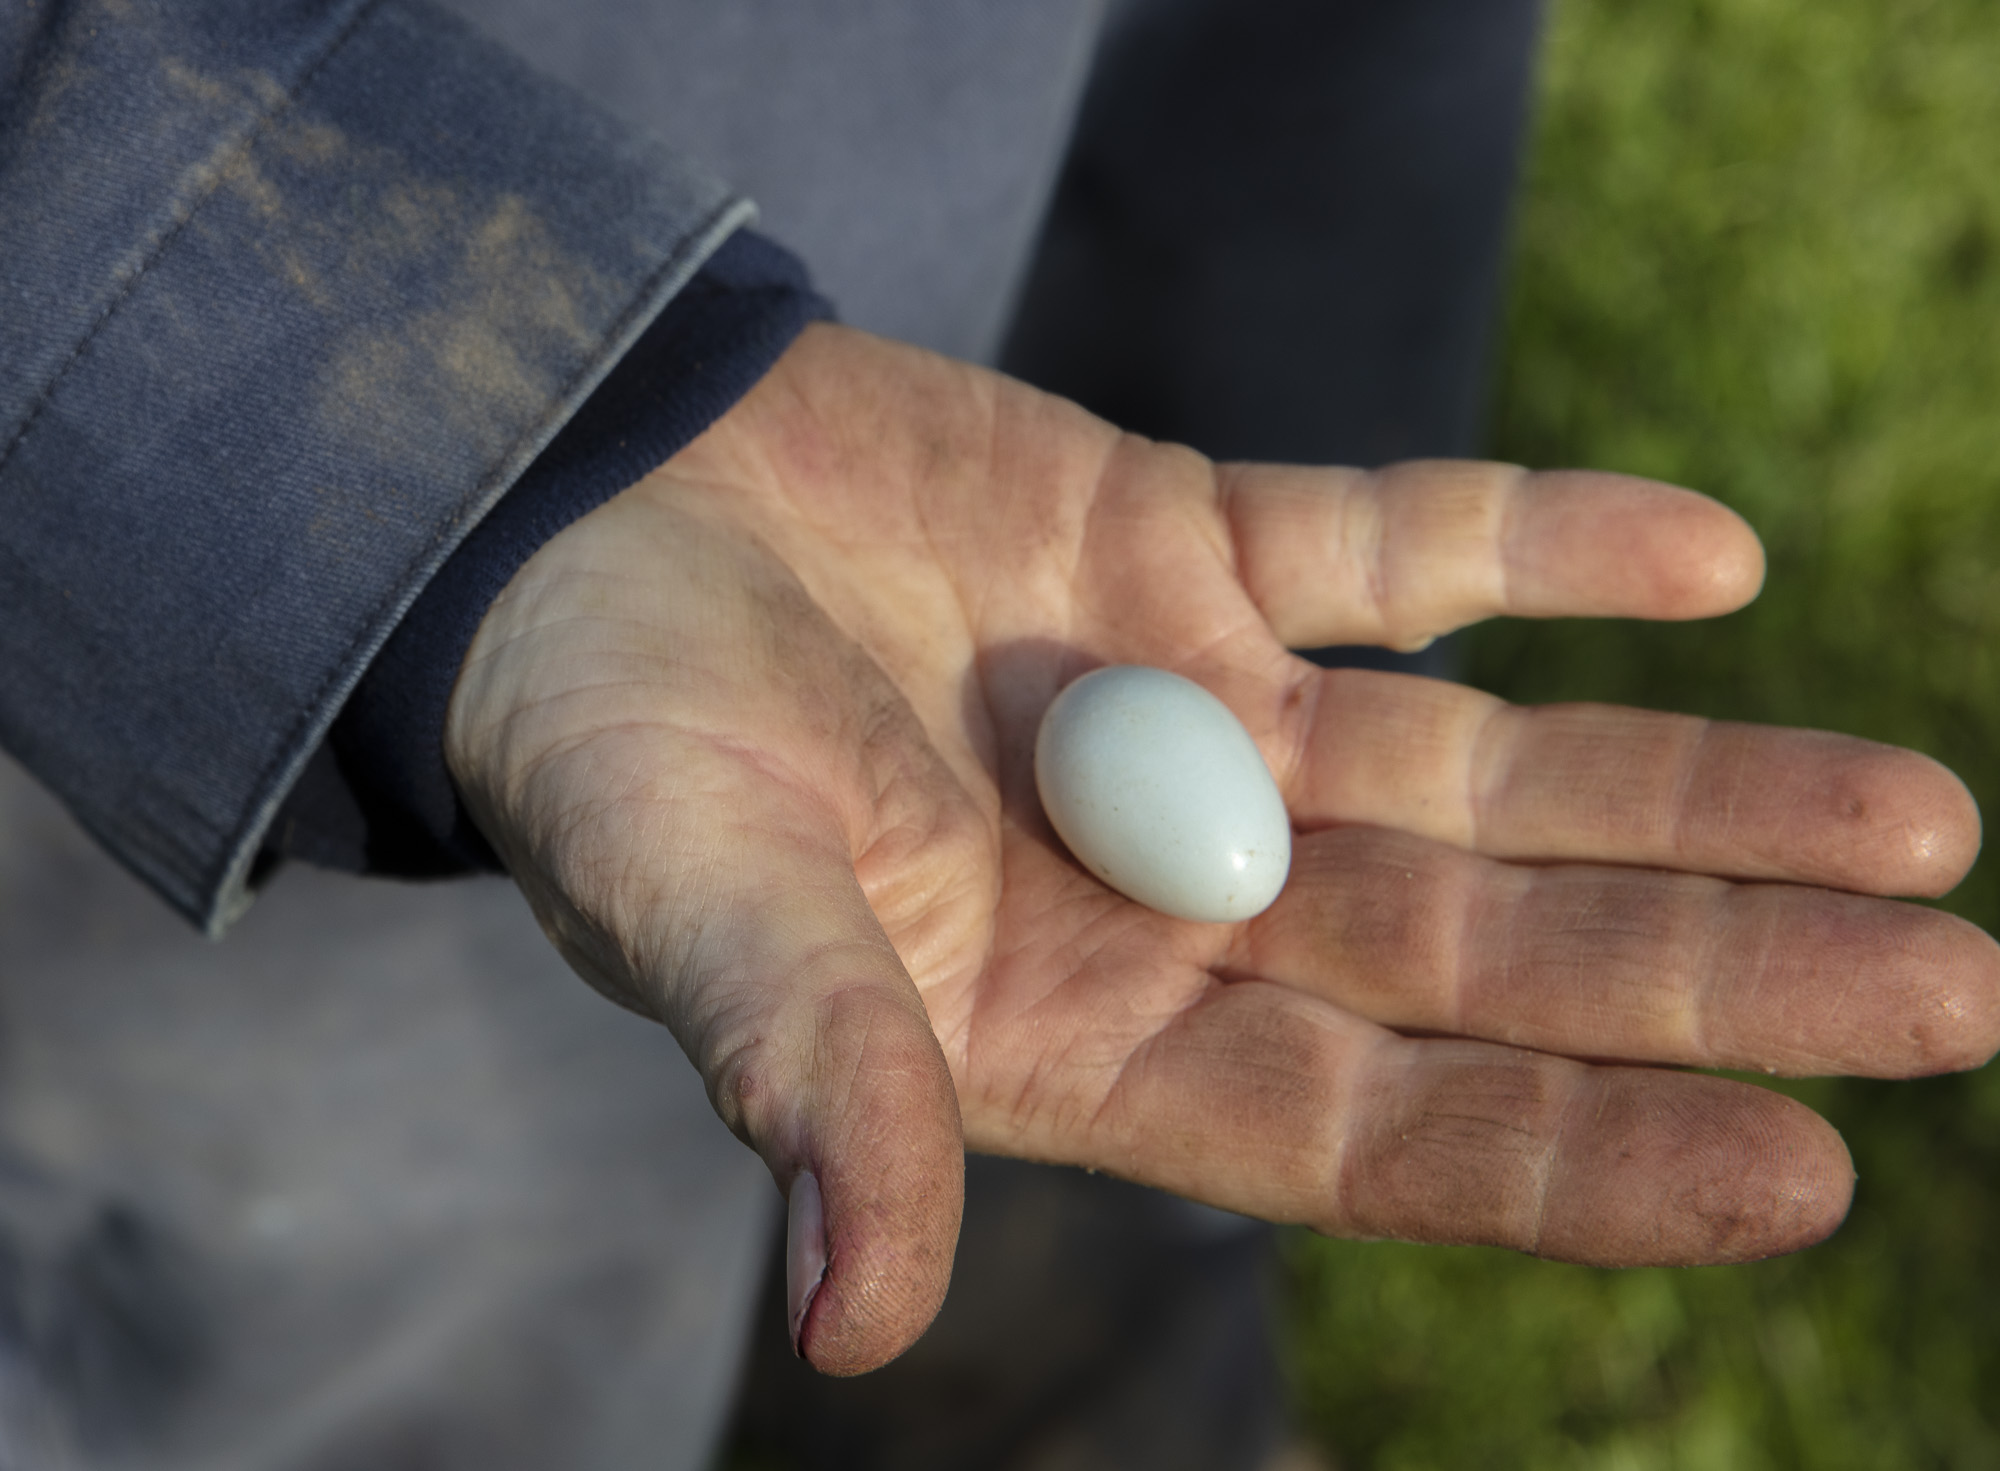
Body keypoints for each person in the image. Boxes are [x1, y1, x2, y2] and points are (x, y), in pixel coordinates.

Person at [3, 1, 1996, 1466]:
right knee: (418, 1220)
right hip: (344, 277)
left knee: (1177, 902)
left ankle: (1083, 1364)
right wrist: (432, 421)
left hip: (1090, 105)